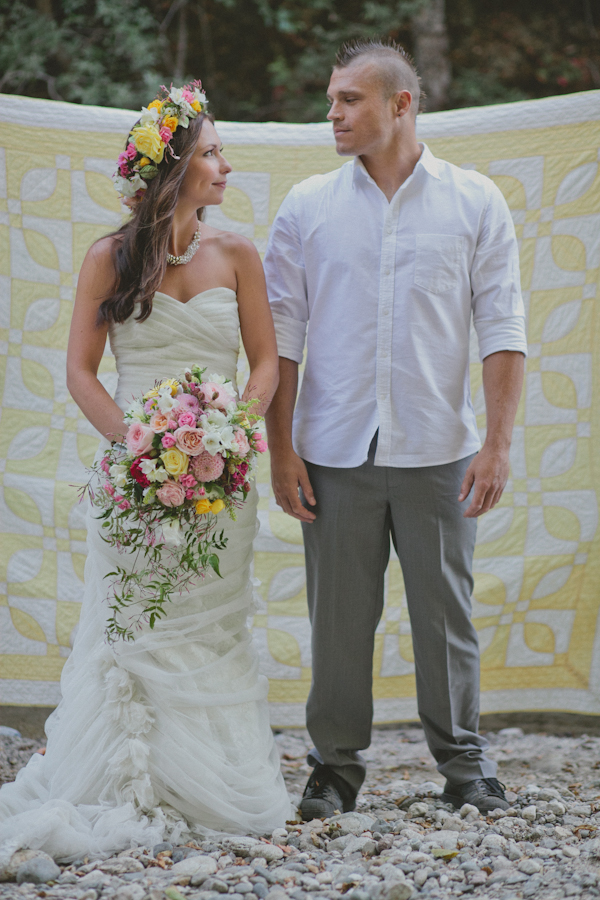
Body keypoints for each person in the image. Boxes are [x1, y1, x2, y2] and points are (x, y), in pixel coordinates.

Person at [0, 82, 291, 862]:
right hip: (136, 482)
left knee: (211, 630)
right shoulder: (111, 257)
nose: (226, 166)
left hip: (222, 481)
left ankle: (212, 781)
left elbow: (264, 361)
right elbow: (81, 371)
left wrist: (229, 433)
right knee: (132, 631)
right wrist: (139, 449)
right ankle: (123, 779)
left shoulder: (238, 254)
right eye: (211, 154)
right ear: (172, 170)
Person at [263, 39, 527, 820]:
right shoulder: (307, 206)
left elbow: (503, 329)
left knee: (446, 617)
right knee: (338, 621)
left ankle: (465, 767)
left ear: (401, 104)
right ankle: (334, 769)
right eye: (332, 99)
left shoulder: (475, 200)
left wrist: (499, 444)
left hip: (439, 448)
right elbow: (282, 341)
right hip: (332, 449)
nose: (332, 114)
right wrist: (281, 452)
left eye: (349, 100)